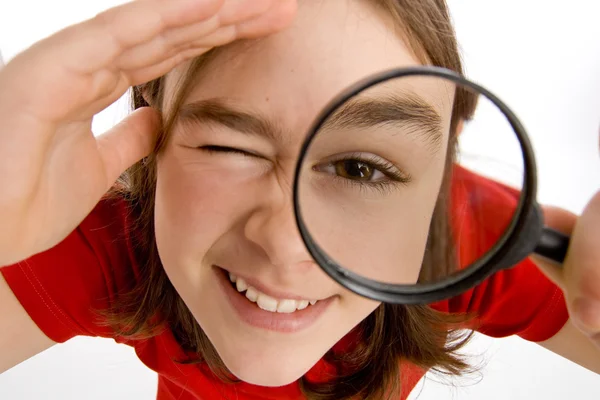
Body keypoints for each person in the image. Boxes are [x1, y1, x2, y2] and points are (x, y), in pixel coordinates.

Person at [0, 1, 598, 399]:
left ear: (442, 169)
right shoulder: (102, 236)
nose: (285, 245)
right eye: (229, 148)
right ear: (150, 135)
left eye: (361, 169)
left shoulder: (463, 236)